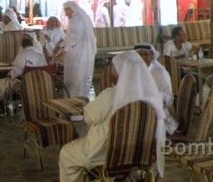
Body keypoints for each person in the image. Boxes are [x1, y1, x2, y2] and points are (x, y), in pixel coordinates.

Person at [59, 51, 166, 182]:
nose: (111, 71)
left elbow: (89, 117)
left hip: (108, 153)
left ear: (121, 72)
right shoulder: (151, 97)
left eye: (113, 68)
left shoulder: (111, 95)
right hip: (141, 153)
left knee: (66, 153)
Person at [134, 44, 178, 135]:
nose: (142, 58)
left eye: (146, 54)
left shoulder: (160, 72)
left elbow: (169, 100)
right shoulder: (132, 71)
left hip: (157, 113)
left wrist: (156, 97)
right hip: (135, 109)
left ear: (152, 56)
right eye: (139, 55)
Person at [62, 1, 97, 97]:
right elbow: (69, 37)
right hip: (78, 51)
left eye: (66, 11)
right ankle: (77, 95)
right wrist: (63, 46)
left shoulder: (77, 20)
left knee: (79, 74)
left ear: (72, 9)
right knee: (78, 74)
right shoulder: (74, 19)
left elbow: (76, 38)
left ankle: (78, 97)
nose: (65, 14)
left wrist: (65, 49)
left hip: (81, 52)